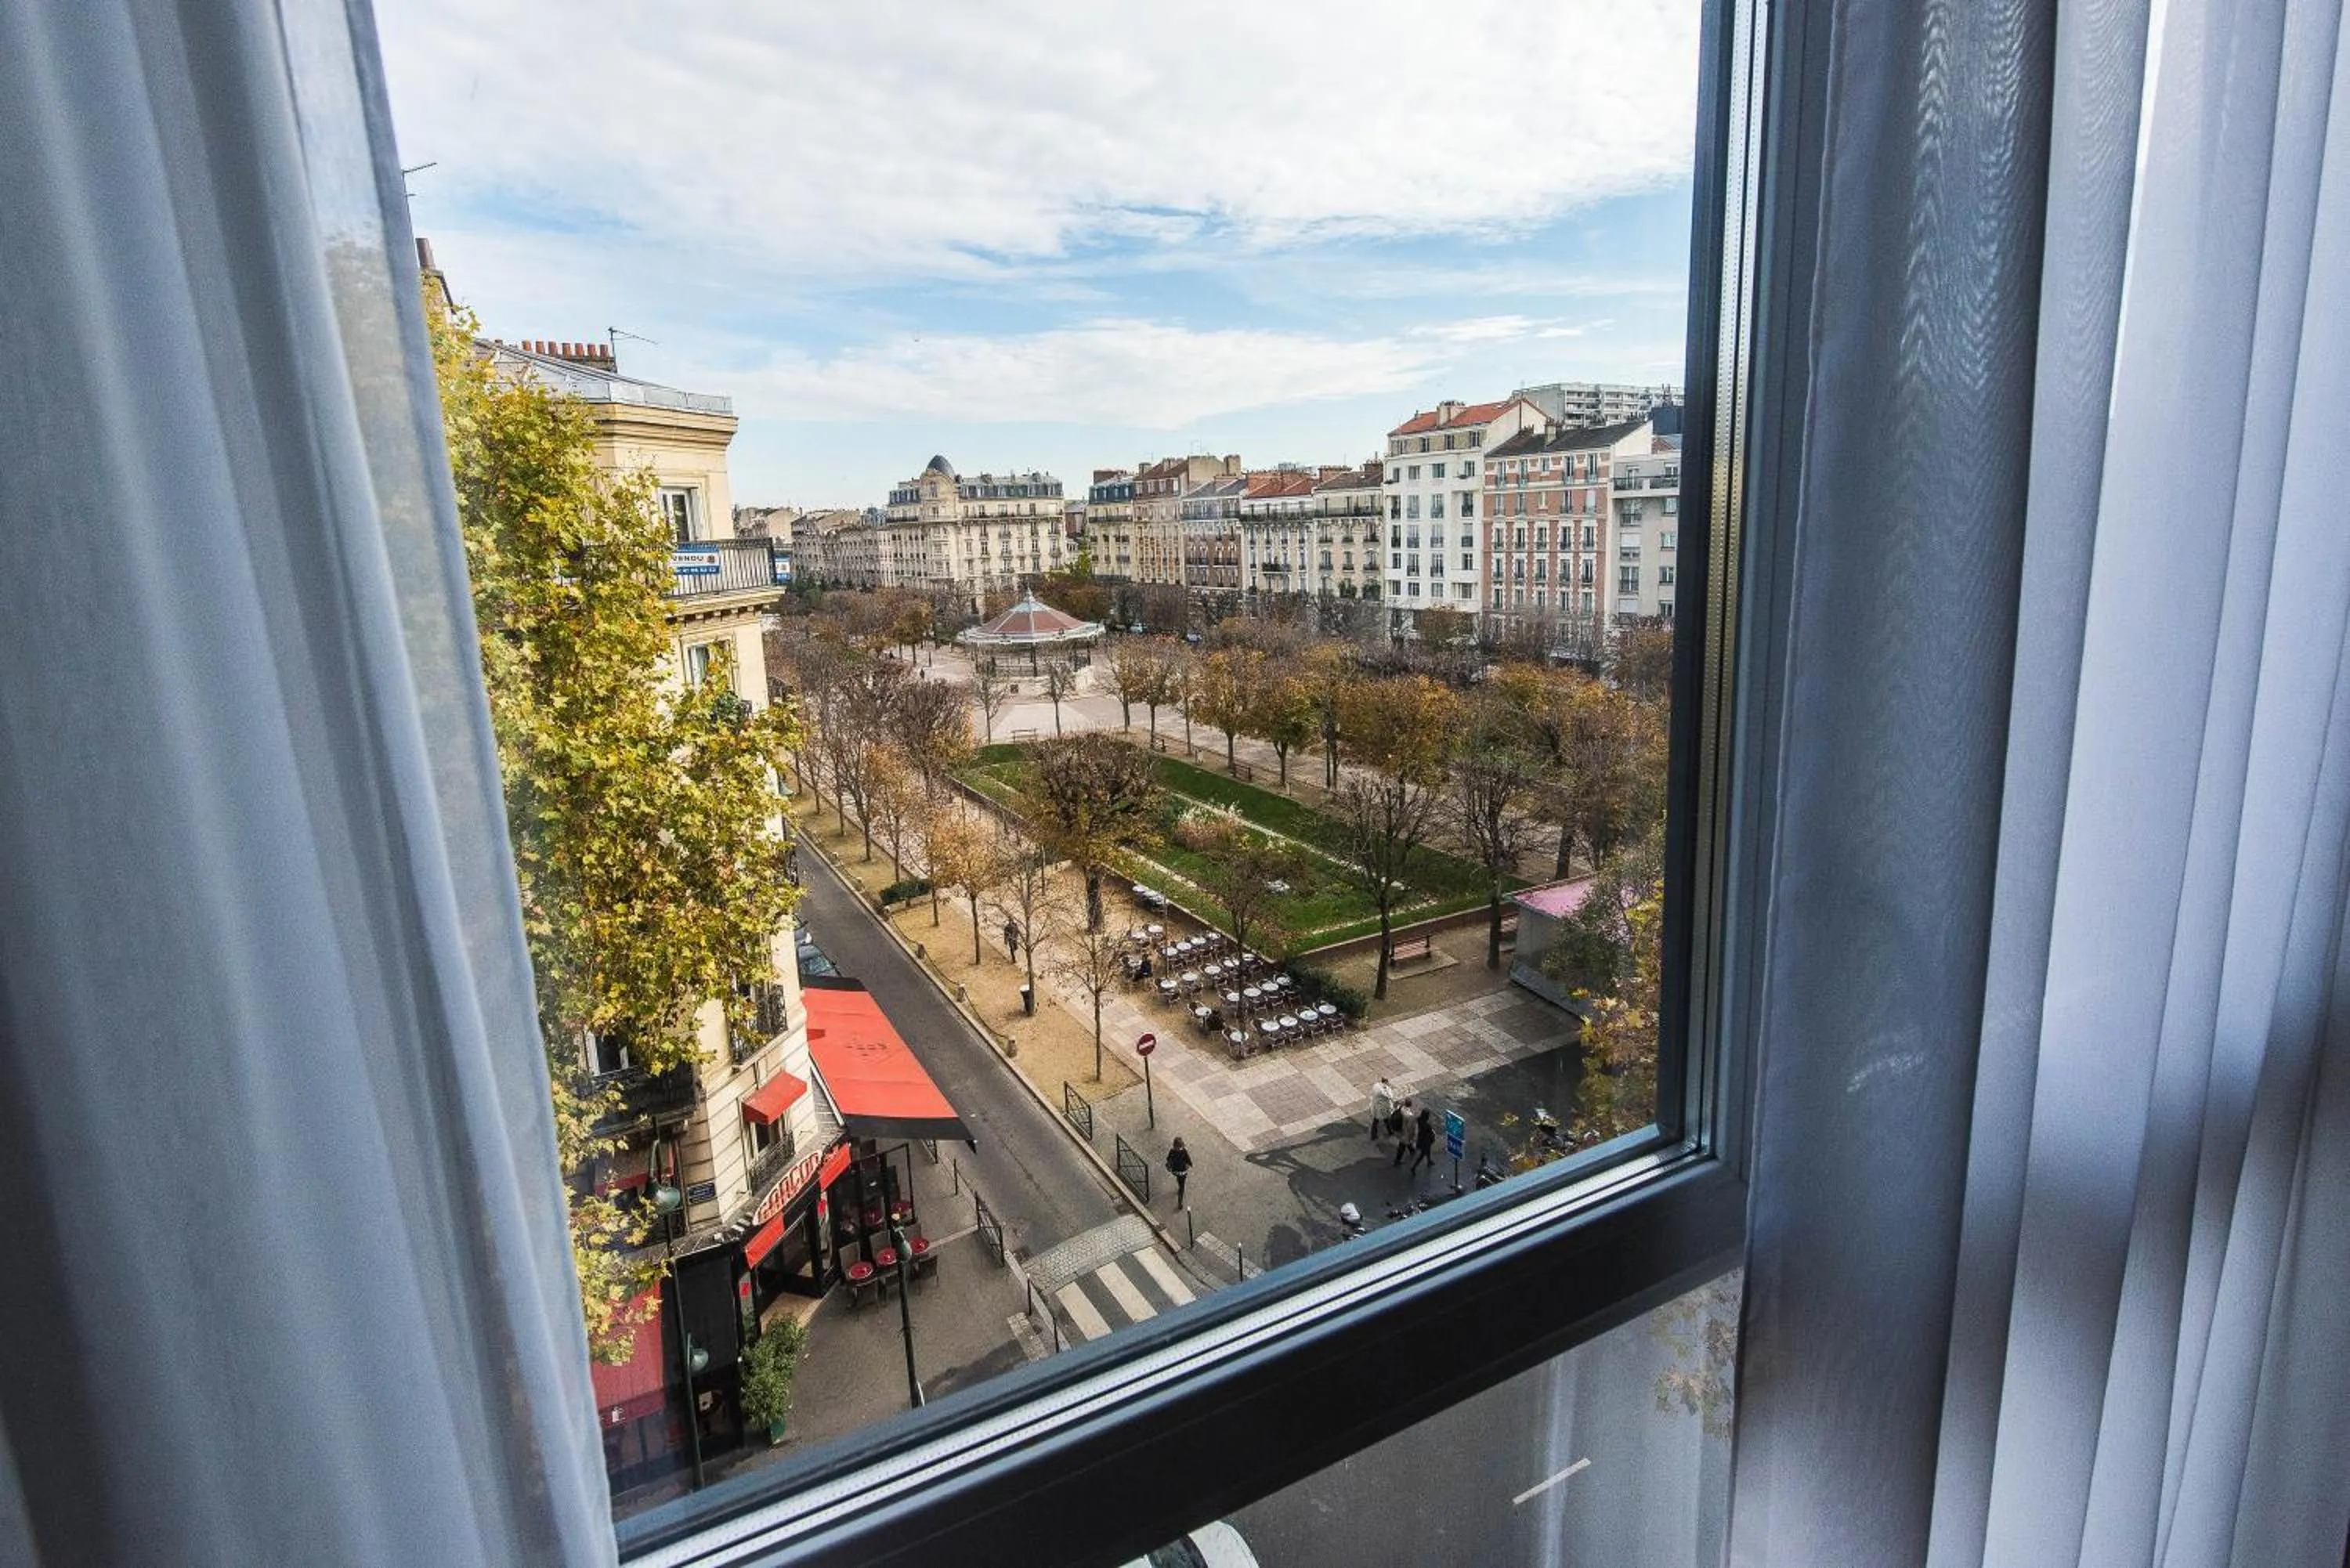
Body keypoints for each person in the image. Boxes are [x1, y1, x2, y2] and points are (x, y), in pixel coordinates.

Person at [1165, 1138, 1193, 1209]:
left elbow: (1168, 1159)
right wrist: (1190, 1164)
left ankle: (1179, 1187)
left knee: (1179, 1179)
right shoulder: (1184, 1151)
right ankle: (1180, 1202)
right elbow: (1188, 1159)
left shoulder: (1172, 1151)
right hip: (1183, 1171)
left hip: (1175, 1171)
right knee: (1182, 1187)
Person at [1408, 1107, 1437, 1174]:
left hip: (1421, 1140)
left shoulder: (1418, 1120)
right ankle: (1414, 1167)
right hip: (1426, 1141)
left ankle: (1429, 1161)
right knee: (1422, 1155)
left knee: (1428, 1150)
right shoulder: (1427, 1125)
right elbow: (1431, 1132)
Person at [1368, 1077, 1397, 1143]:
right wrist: (1388, 1088)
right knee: (1382, 1119)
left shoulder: (1376, 1085)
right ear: (1386, 1082)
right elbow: (1390, 1096)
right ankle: (1388, 1132)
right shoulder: (1383, 1090)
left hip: (1376, 1106)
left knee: (1379, 1120)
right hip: (1381, 1108)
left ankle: (1374, 1135)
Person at [1390, 1099, 1415, 1165]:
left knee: (1406, 1142)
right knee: (1402, 1146)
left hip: (1398, 1130)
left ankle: (1411, 1150)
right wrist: (1412, 1135)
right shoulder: (1409, 1115)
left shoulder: (1401, 1108)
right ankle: (1397, 1160)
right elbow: (1410, 1127)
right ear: (1411, 1105)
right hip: (1404, 1132)